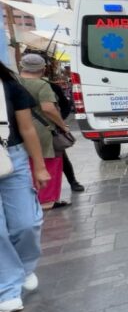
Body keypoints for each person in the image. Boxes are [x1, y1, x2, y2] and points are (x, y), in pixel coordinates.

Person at [0, 59, 49, 312]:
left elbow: (28, 129)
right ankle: (8, 289)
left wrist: (39, 166)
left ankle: (25, 266)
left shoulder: (9, 86)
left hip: (13, 157)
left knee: (26, 223)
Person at [19, 55, 68, 210]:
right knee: (49, 162)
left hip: (18, 128)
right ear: (43, 68)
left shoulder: (14, 82)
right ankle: (47, 200)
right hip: (42, 130)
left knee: (27, 164)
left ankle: (32, 199)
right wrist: (62, 125)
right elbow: (48, 109)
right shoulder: (42, 85)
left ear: (22, 66)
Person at [48, 73, 84, 192]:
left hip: (52, 129)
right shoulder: (19, 85)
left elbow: (65, 106)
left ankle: (72, 181)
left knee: (61, 156)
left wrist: (59, 121)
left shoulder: (51, 87)